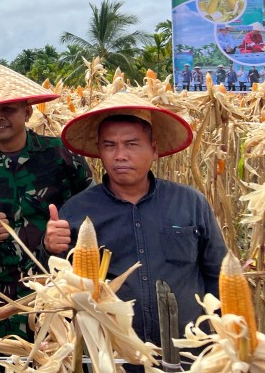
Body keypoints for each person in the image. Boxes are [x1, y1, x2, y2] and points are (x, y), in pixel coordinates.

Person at [44, 92, 226, 350]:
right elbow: (59, 288)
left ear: (154, 149)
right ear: (99, 151)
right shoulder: (76, 210)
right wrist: (49, 247)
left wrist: (224, 336)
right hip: (112, 355)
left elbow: (217, 274)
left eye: (131, 144)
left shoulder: (190, 203)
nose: (120, 155)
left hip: (189, 351)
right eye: (110, 145)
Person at [0, 64, 92, 339]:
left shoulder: (63, 156)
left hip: (63, 290)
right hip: (8, 297)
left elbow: (95, 219)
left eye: (8, 109)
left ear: (27, 111)